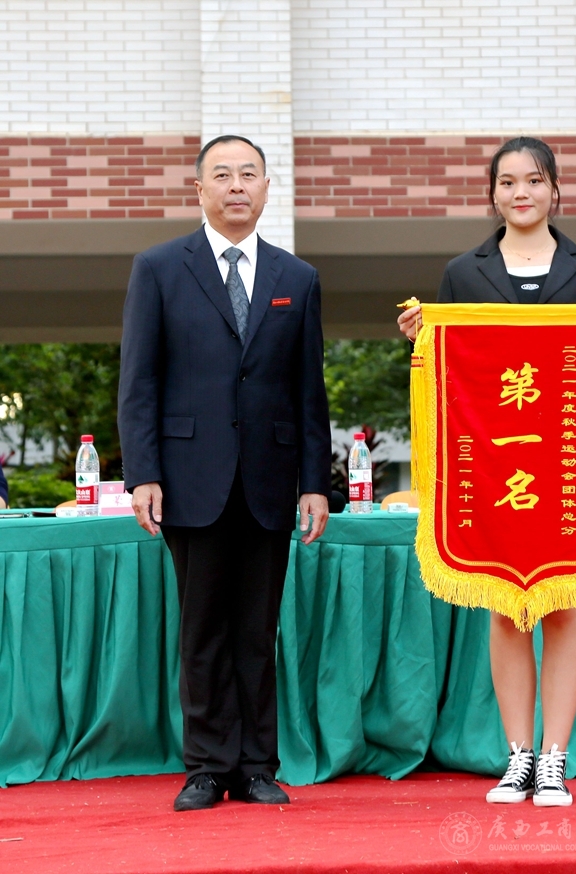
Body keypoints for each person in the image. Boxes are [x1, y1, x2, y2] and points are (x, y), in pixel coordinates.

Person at [397, 136, 576, 807]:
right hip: (496, 463)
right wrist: (423, 340)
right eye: (508, 182)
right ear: (492, 193)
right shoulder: (462, 272)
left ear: (555, 190)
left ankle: (555, 758)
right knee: (506, 608)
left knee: (565, 604)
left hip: (567, 461)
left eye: (534, 180)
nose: (521, 193)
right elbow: (451, 373)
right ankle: (517, 756)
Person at [118, 134, 332, 812]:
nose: (237, 185)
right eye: (222, 175)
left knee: (257, 631)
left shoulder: (297, 278)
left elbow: (309, 391)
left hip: (271, 479)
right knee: (203, 628)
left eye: (248, 174)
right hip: (188, 477)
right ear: (200, 189)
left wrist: (315, 482)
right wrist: (143, 472)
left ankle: (258, 766)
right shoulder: (159, 268)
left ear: (267, 188)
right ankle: (207, 767)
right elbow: (139, 380)